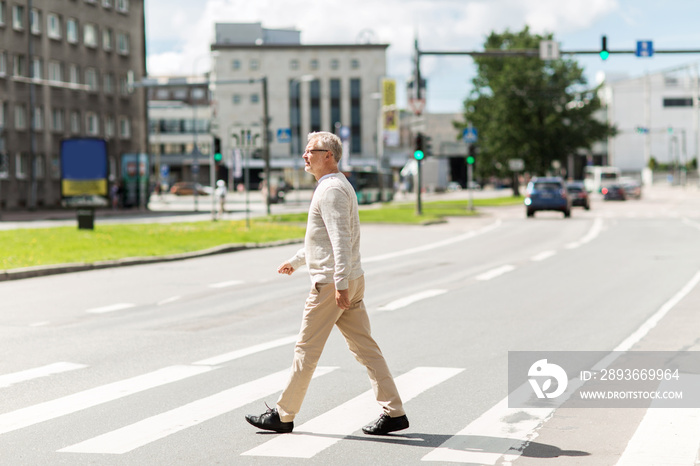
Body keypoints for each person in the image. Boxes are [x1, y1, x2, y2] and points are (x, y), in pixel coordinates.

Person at [245, 131, 408, 435]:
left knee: (306, 349)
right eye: (305, 151)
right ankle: (394, 412)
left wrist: (340, 284)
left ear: (328, 156)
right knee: (366, 349)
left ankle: (283, 415)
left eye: (311, 151)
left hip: (333, 284)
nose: (305, 156)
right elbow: (322, 240)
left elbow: (340, 241)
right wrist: (296, 261)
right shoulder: (336, 185)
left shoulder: (330, 190)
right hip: (349, 279)